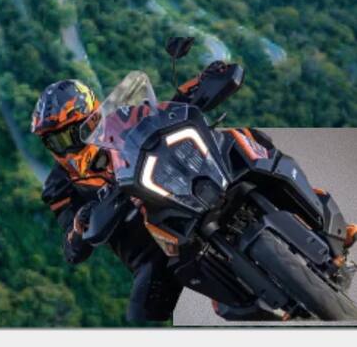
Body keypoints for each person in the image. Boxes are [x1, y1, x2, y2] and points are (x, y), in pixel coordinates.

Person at [31, 68, 356, 323]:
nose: (67, 146)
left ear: (94, 116)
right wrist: (78, 228)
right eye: (56, 142)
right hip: (147, 241)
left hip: (183, 180)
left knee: (243, 143)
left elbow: (161, 109)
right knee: (142, 311)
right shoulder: (59, 186)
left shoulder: (121, 121)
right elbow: (72, 251)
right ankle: (257, 306)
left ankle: (317, 215)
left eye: (72, 133)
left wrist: (203, 82)